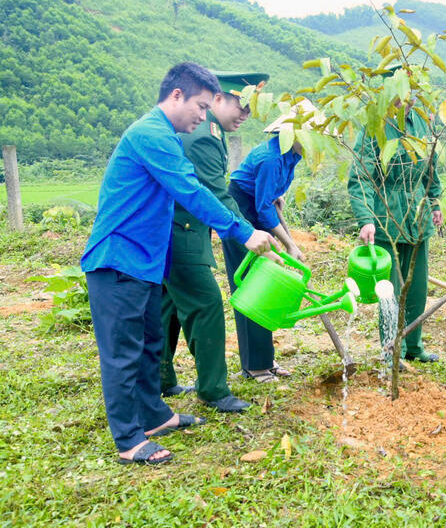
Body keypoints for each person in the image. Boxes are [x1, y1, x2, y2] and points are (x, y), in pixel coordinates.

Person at [81, 62, 276, 464]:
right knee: (123, 353)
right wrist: (243, 231)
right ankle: (129, 439)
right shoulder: (151, 135)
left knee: (151, 343)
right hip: (118, 260)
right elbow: (192, 191)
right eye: (201, 107)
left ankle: (154, 415)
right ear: (176, 96)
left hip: (146, 263)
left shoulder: (166, 137)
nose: (203, 117)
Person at [159, 71, 270, 413]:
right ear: (219, 99)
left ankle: (160, 378)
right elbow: (216, 193)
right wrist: (247, 233)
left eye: (251, 111)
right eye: (241, 106)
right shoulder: (206, 137)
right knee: (206, 305)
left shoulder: (210, 134)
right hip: (184, 230)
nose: (245, 116)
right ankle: (213, 389)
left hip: (169, 229)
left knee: (169, 305)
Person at [347, 81, 442, 363]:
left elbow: (430, 167)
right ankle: (392, 349)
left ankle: (413, 345)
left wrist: (434, 200)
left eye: (410, 93)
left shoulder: (422, 124)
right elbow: (361, 177)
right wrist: (366, 218)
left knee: (417, 287)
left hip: (418, 215)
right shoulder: (374, 127)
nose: (405, 100)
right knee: (389, 290)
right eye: (399, 93)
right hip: (385, 215)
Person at [221, 114, 306, 382]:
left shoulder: (290, 156)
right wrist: (289, 244)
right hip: (242, 213)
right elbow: (263, 209)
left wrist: (274, 196)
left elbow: (270, 199)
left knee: (267, 283)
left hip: (257, 208)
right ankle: (254, 365)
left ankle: (265, 360)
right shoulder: (271, 159)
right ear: (295, 135)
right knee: (250, 286)